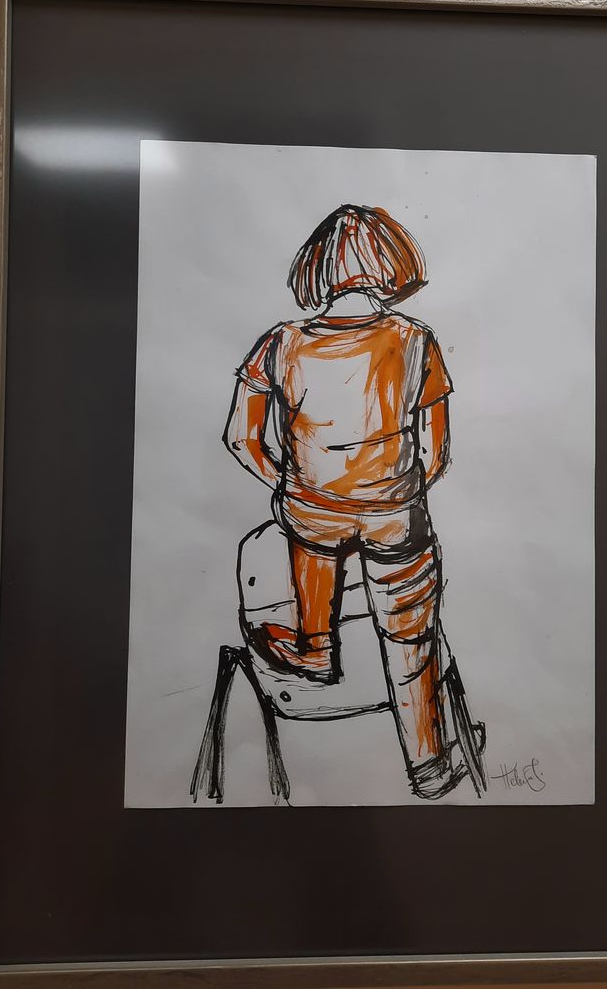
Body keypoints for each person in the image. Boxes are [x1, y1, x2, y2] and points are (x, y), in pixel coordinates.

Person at [224, 204, 460, 798]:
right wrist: (390, 492)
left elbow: (240, 439)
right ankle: (430, 768)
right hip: (396, 514)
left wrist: (295, 484)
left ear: (318, 269)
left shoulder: (280, 343)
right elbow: (436, 452)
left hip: (312, 514)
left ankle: (314, 649)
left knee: (310, 538)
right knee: (411, 645)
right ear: (390, 263)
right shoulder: (415, 340)